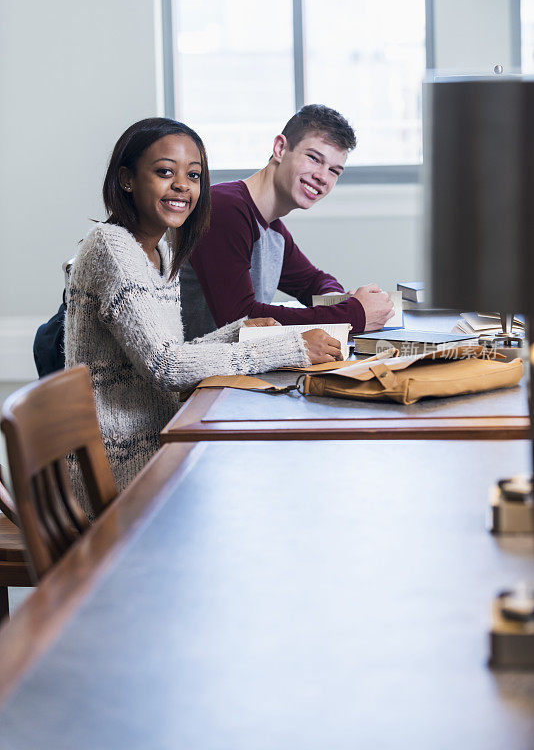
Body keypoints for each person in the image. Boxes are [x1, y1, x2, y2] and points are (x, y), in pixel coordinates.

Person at [65, 118, 342, 502]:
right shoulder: (112, 248)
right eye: (165, 172)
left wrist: (238, 329)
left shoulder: (161, 249)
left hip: (162, 444)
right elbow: (166, 367)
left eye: (194, 175)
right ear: (126, 179)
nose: (182, 185)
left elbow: (169, 351)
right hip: (123, 470)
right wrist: (288, 346)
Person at [180, 104, 394, 341]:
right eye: (314, 158)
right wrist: (353, 314)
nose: (322, 177)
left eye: (334, 170)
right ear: (281, 148)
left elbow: (313, 282)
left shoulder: (272, 227)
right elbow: (241, 319)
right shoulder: (225, 209)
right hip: (200, 373)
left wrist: (341, 300)